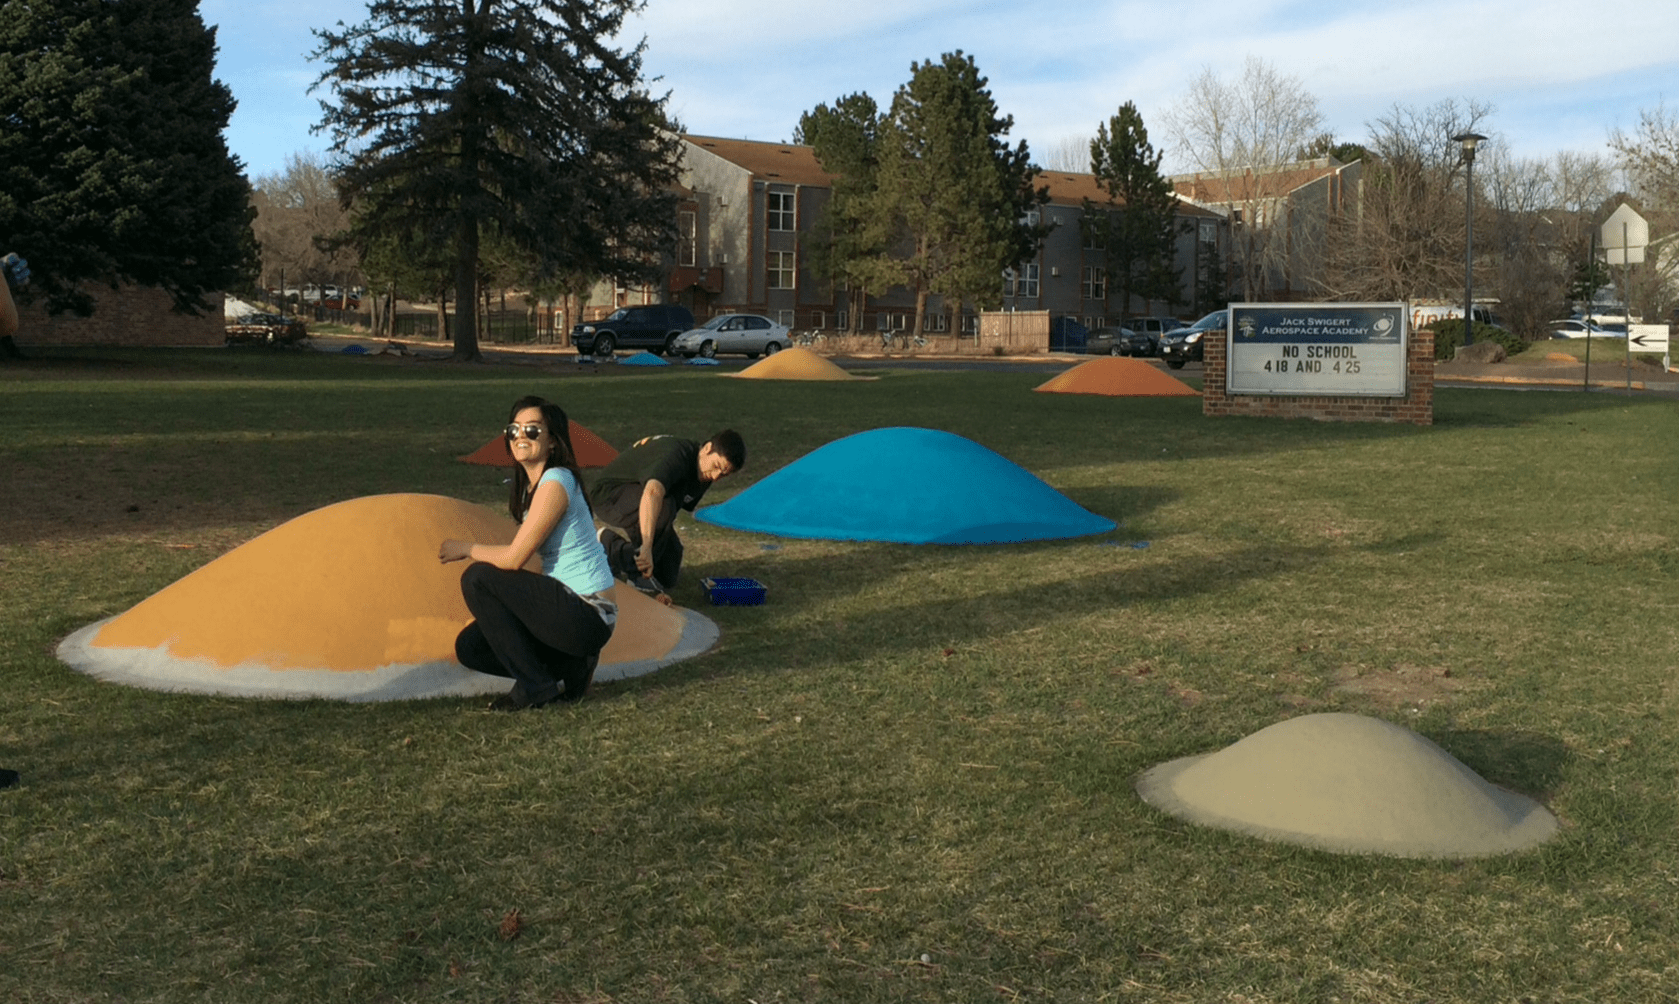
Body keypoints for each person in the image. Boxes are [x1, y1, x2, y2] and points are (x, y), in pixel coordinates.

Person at [440, 396, 617, 711]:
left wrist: (465, 548)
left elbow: (514, 559)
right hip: (565, 611)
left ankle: (536, 686)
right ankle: (572, 668)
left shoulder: (555, 482)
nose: (521, 436)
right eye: (514, 430)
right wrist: (498, 612)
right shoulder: (531, 488)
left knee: (478, 578)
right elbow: (532, 566)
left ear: (552, 442)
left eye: (533, 430)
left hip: (588, 612)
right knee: (472, 647)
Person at [589, 429, 745, 602]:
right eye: (716, 467)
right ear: (707, 448)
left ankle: (609, 546)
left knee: (668, 572)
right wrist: (647, 546)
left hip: (642, 501)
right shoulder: (676, 455)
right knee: (664, 505)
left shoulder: (704, 474)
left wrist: (655, 548)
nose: (716, 476)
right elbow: (653, 492)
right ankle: (635, 573)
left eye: (724, 474)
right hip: (610, 496)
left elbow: (667, 514)